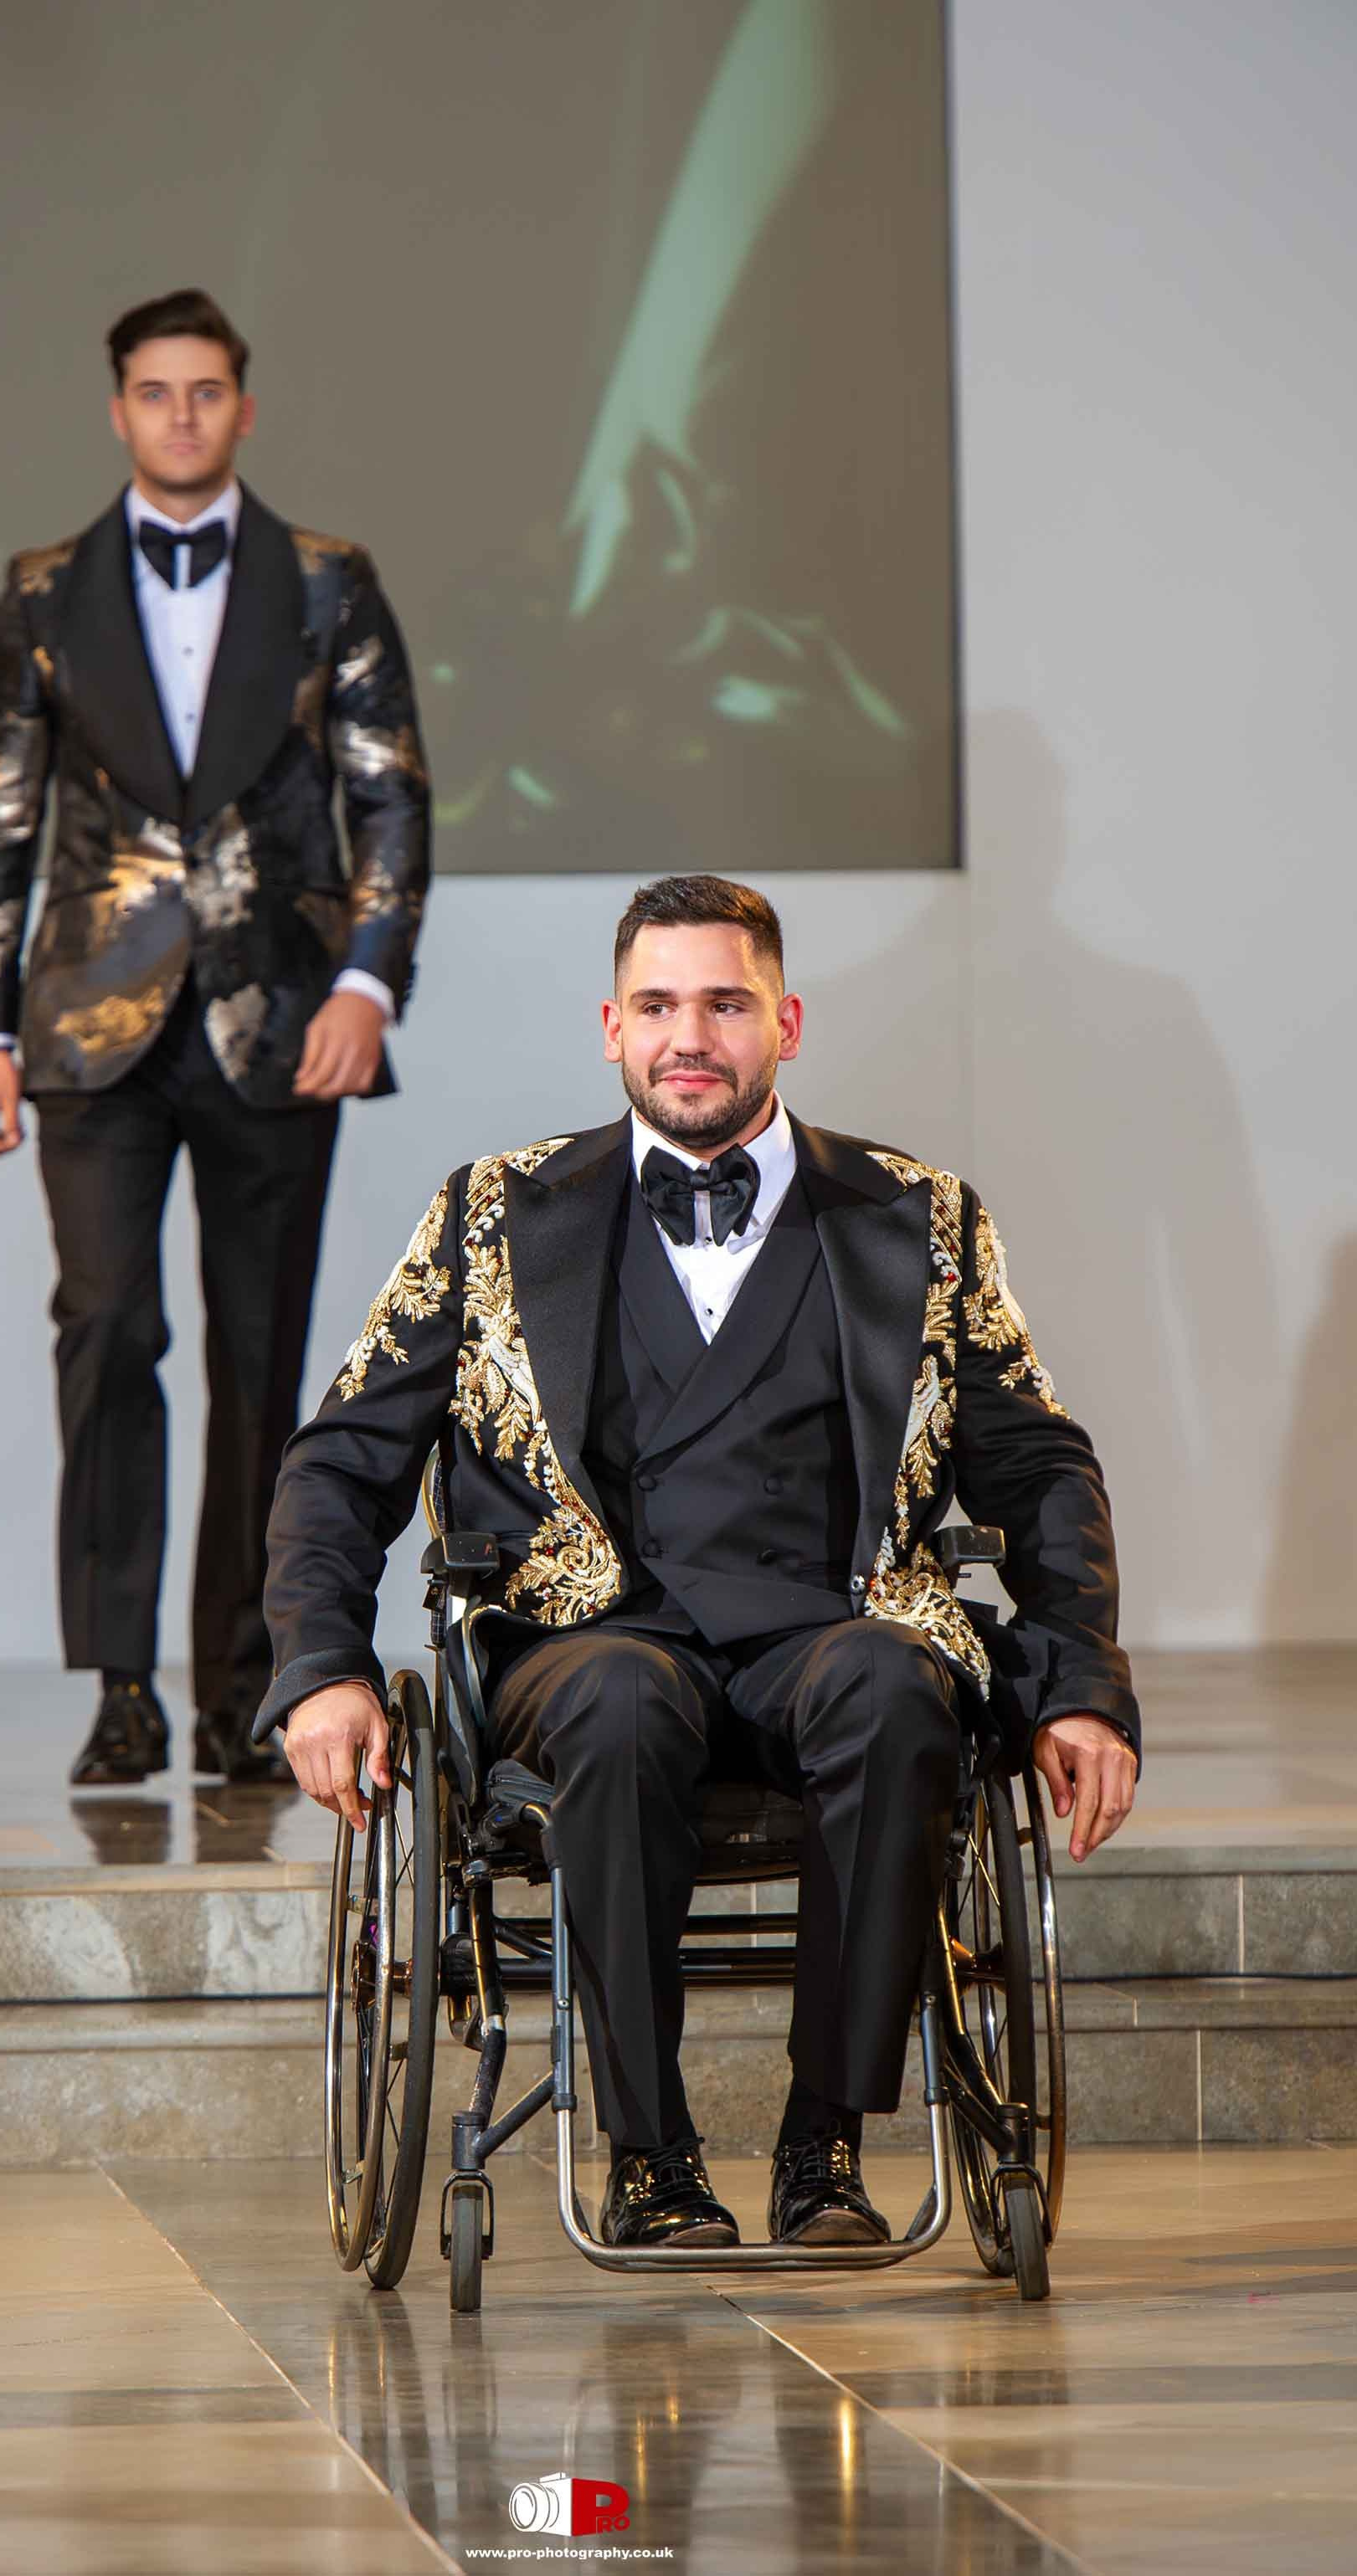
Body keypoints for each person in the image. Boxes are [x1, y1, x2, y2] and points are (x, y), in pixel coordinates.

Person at [261, 875, 1138, 2248]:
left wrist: (1079, 1680)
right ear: (612, 1026)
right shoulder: (490, 1216)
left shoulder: (922, 1216)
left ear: (783, 1021)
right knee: (618, 1700)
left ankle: (826, 2146)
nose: (691, 1035)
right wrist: (322, 1670)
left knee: (901, 1690)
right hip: (588, 1639)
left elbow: (1041, 1468)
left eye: (725, 1003)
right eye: (660, 1005)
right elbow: (339, 1461)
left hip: (834, 1624)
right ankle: (649, 2156)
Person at [0, 288, 429, 1788]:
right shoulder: (42, 592)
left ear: (242, 404)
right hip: (89, 1026)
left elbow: (391, 794)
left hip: (282, 1020)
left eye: (205, 390)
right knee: (107, 1331)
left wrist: (368, 984)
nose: (179, 415)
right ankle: (119, 1685)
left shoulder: (325, 579)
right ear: (119, 408)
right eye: (154, 392)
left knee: (262, 1354)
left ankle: (244, 1680)